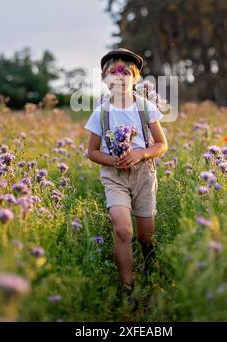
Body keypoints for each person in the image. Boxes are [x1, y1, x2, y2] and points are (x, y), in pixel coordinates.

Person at [84, 48, 168, 310]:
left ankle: (149, 262)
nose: (119, 77)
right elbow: (92, 152)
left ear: (136, 78)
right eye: (113, 72)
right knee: (123, 229)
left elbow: (162, 144)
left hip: (143, 174)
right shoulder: (100, 113)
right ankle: (127, 287)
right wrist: (114, 161)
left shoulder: (146, 108)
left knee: (145, 235)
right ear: (104, 79)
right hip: (114, 176)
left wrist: (142, 153)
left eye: (125, 72)